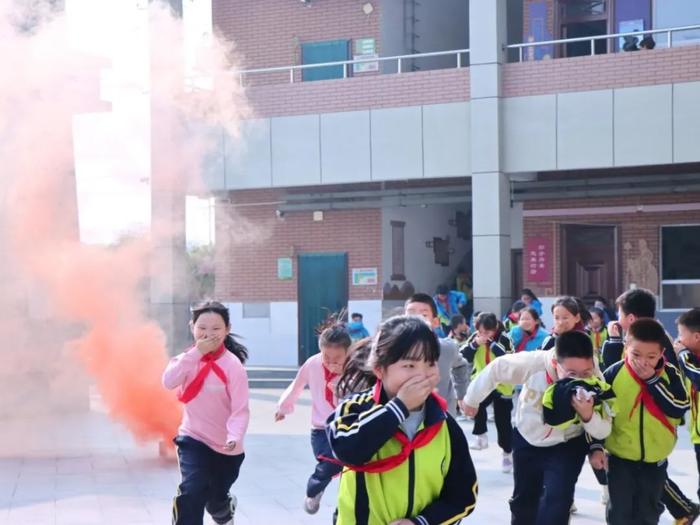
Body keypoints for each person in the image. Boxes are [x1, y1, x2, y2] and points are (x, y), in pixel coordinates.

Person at [326, 315, 478, 525]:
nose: (422, 375)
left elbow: (463, 496)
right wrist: (399, 407)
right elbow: (347, 450)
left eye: (430, 363)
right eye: (409, 366)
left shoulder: (444, 425)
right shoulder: (355, 408)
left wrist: (421, 522)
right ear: (380, 369)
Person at [462, 330, 612, 525]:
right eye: (572, 373)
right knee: (524, 501)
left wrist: (588, 415)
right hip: (527, 439)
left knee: (557, 502)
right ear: (555, 363)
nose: (580, 379)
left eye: (586, 373)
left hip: (566, 444)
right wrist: (472, 399)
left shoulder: (595, 379)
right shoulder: (533, 363)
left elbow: (604, 428)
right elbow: (497, 368)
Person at [602, 288, 698, 523]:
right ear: (626, 346)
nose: (643, 362)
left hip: (655, 458)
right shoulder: (613, 373)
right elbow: (600, 410)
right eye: (636, 354)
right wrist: (595, 446)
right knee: (619, 513)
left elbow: (679, 407)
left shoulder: (670, 374)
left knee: (647, 513)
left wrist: (653, 380)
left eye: (651, 357)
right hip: (620, 457)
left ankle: (684, 508)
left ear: (662, 352)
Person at [162, 301, 250, 525]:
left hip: (227, 447)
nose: (208, 334)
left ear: (227, 329)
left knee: (215, 500)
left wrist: (234, 436)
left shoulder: (233, 366)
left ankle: (224, 508)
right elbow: (168, 381)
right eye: (202, 328)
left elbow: (240, 410)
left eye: (216, 329)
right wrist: (195, 354)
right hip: (193, 438)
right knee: (192, 491)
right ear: (192, 326)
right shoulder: (186, 360)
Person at [274, 324, 352, 514]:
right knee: (329, 462)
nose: (331, 362)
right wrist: (283, 407)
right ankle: (315, 489)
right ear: (320, 349)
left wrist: (343, 382)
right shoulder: (313, 364)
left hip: (348, 426)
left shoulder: (354, 366)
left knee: (345, 467)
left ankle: (333, 503)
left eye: (337, 358)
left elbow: (361, 395)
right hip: (321, 428)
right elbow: (297, 385)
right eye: (327, 356)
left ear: (348, 352)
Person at [462, 312, 514, 472]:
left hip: (502, 384)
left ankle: (507, 453)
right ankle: (480, 435)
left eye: (488, 332)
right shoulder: (474, 338)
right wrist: (475, 344)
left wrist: (492, 345)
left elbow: (509, 359)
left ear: (495, 328)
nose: (484, 335)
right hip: (482, 380)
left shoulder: (504, 338)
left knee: (503, 421)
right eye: (481, 332)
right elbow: (463, 356)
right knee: (475, 403)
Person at [405, 293, 469, 417]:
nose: (416, 319)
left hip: (442, 416)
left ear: (435, 322)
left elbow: (461, 366)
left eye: (423, 315)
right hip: (405, 417)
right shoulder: (394, 350)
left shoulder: (447, 348)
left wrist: (461, 395)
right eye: (411, 314)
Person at [674, 308, 700, 520]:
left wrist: (683, 355)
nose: (678, 340)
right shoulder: (693, 357)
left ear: (696, 336)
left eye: (681, 335)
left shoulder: (689, 359)